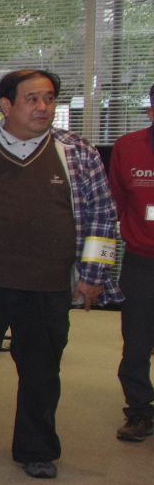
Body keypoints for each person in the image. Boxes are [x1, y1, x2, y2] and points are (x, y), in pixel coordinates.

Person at [0, 70, 120, 478]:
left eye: (49, 99)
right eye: (32, 99)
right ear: (6, 105)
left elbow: (102, 217)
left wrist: (94, 274)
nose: (43, 107)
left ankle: (37, 449)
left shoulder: (78, 152)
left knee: (41, 371)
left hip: (47, 284)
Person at [110, 89, 154, 442]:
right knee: (137, 344)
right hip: (141, 261)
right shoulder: (128, 147)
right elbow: (114, 205)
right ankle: (140, 410)